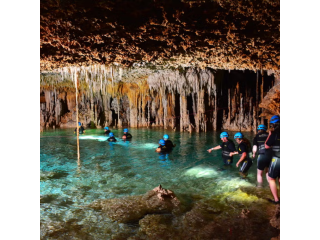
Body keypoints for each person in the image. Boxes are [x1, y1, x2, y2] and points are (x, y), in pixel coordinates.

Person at [265, 115, 280, 204]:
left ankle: (276, 200)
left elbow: (266, 146)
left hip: (278, 158)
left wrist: (270, 135)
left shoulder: (275, 133)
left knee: (271, 178)